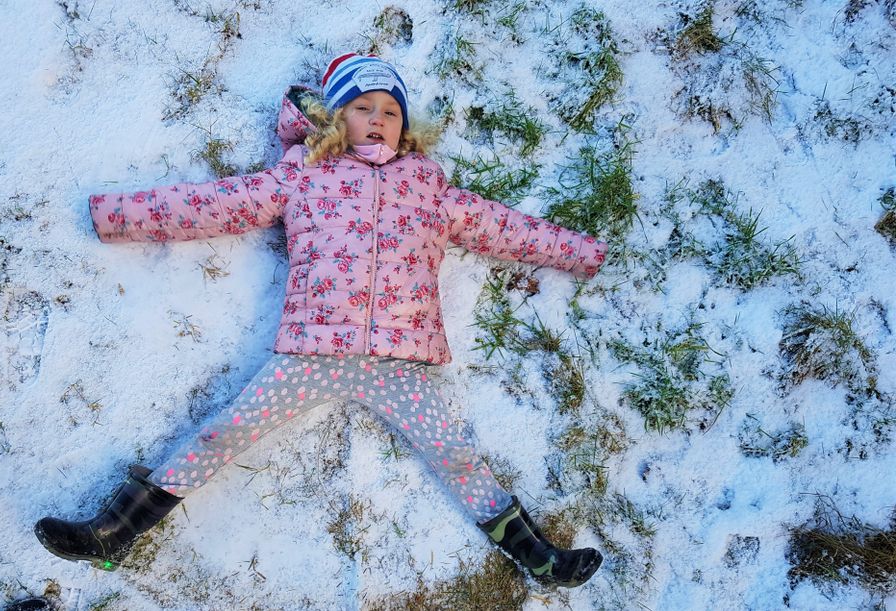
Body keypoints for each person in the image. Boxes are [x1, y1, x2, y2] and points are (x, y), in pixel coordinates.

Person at [34, 53, 608, 588]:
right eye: (363, 108)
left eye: (390, 110)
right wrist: (115, 216)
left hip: (399, 363)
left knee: (458, 455)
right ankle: (114, 530)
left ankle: (540, 558)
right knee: (225, 431)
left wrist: (584, 253)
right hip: (312, 354)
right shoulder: (304, 174)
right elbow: (216, 203)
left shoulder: (427, 186)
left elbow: (506, 227)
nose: (378, 119)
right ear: (336, 118)